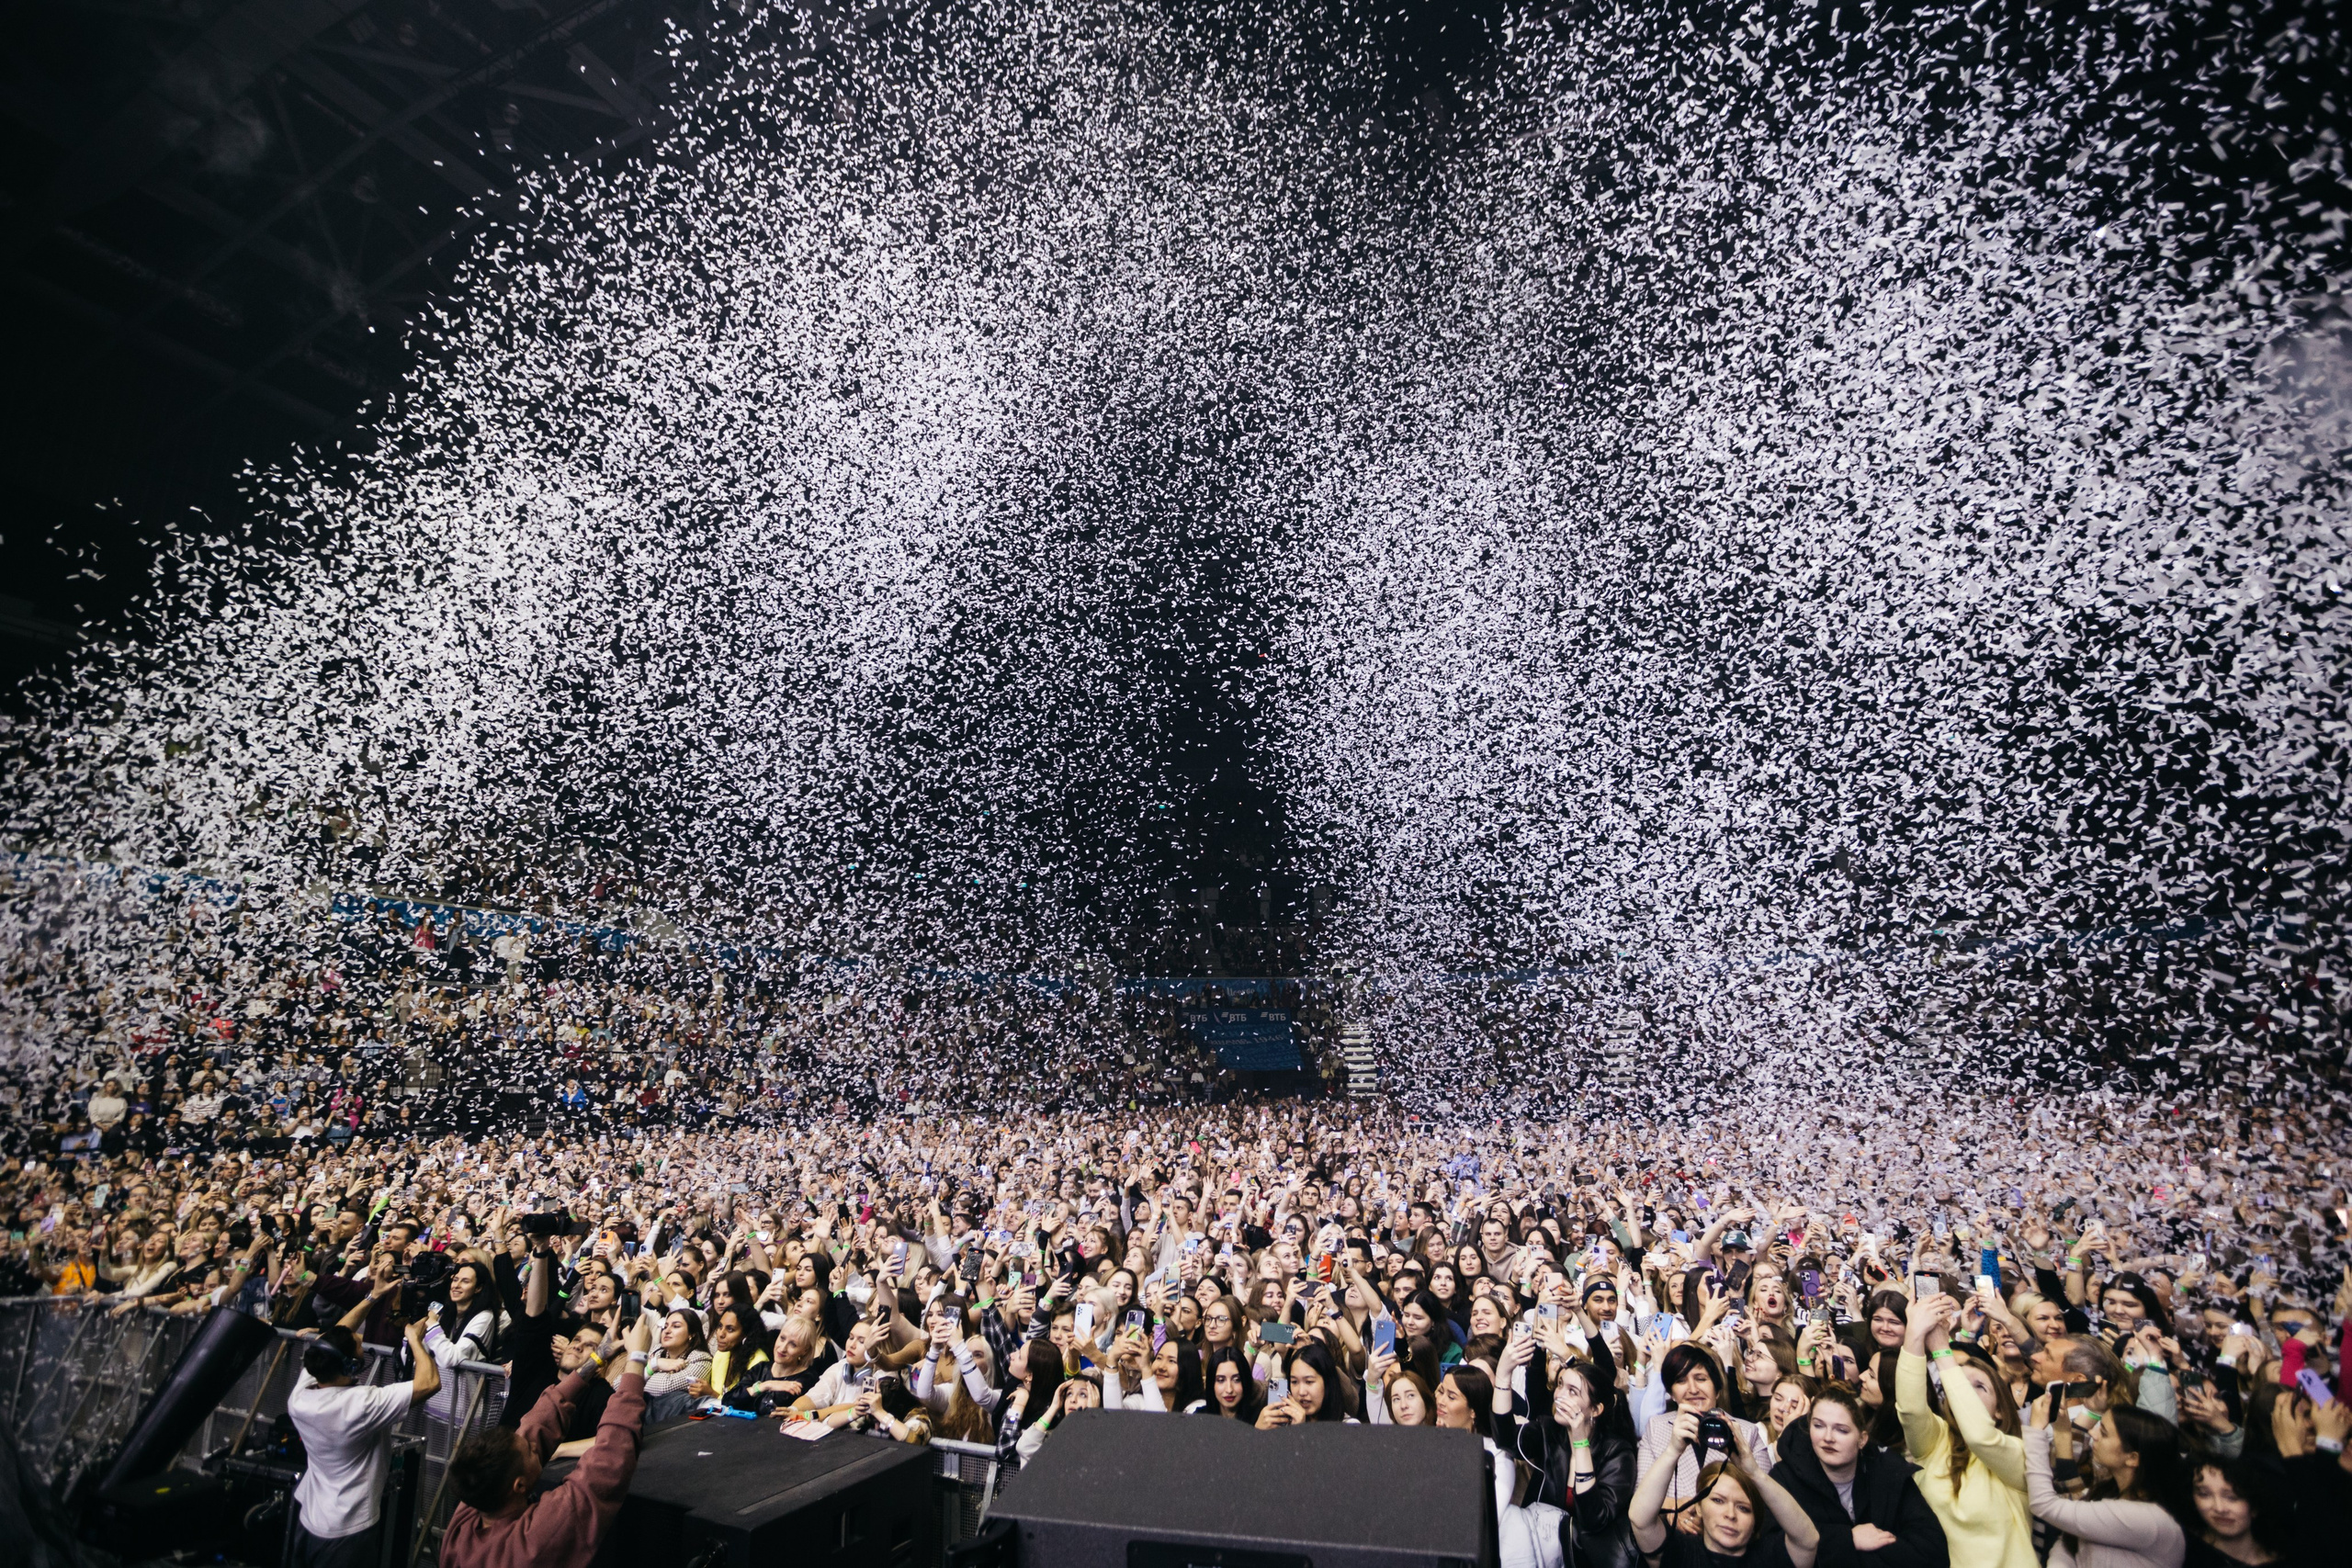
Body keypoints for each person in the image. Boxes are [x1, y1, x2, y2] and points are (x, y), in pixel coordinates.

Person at [439, 1314, 651, 1568]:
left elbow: (534, 1426)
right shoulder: (535, 1541)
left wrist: (595, 1360)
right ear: (519, 1486)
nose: (534, 1445)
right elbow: (609, 1461)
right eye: (531, 1451)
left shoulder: (468, 1515)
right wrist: (637, 1359)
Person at [286, 1288, 442, 1568]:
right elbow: (429, 1384)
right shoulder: (359, 1405)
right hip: (348, 1529)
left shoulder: (303, 1392)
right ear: (350, 1366)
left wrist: (373, 1296)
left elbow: (333, 1337)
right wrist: (415, 1340)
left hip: (310, 1516)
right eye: (359, 1350)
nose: (362, 1345)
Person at [1895, 1295, 2035, 1568]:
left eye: (1979, 1387)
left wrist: (1942, 1350)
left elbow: (1979, 1436)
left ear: (2000, 1411)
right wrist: (1913, 1335)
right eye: (1958, 1382)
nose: (1964, 1391)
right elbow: (1911, 1410)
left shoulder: (2020, 1453)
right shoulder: (1935, 1442)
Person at [1771, 1388, 1950, 1568]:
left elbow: (1933, 1551)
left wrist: (1832, 1552)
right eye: (1818, 1426)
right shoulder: (1784, 1478)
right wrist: (1848, 1538)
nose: (1827, 1438)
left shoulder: (1888, 1472)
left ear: (1862, 1439)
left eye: (1841, 1430)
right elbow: (1771, 1550)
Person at [1629, 1409, 1823, 1568]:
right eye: (1718, 1500)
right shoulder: (1680, 1552)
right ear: (1698, 1507)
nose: (1730, 1514)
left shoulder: (1769, 1557)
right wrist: (1673, 1451)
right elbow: (1640, 1518)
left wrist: (1755, 1472)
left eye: (1743, 1508)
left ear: (1757, 1519)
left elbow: (1808, 1540)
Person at [2024, 1397, 2191, 1568]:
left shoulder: (2148, 1518)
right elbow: (2068, 1541)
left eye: (2103, 1433)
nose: (2093, 1433)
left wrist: (2036, 1431)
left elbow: (2044, 1505)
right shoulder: (2107, 1492)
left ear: (2133, 1458)